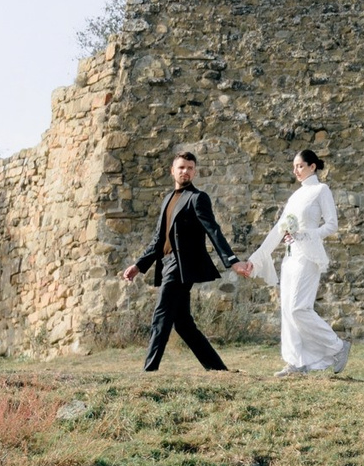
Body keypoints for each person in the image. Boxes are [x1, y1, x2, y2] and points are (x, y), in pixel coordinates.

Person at [120, 149, 253, 372]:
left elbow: (213, 231)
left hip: (181, 267)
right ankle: (219, 370)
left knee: (161, 315)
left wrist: (232, 261)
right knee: (183, 324)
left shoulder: (197, 198)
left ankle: (149, 371)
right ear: (172, 171)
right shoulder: (167, 200)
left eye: (190, 168)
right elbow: (158, 239)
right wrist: (139, 265)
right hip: (167, 264)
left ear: (195, 172)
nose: (186, 172)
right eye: (181, 168)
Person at [251, 148, 350, 376]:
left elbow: (332, 225)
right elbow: (279, 229)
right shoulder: (295, 196)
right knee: (287, 310)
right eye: (294, 167)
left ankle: (338, 346)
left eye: (300, 166)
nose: (296, 170)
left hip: (308, 256)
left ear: (312, 166)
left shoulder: (321, 190)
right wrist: (256, 259)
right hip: (290, 257)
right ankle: (295, 363)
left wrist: (306, 235)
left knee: (298, 308)